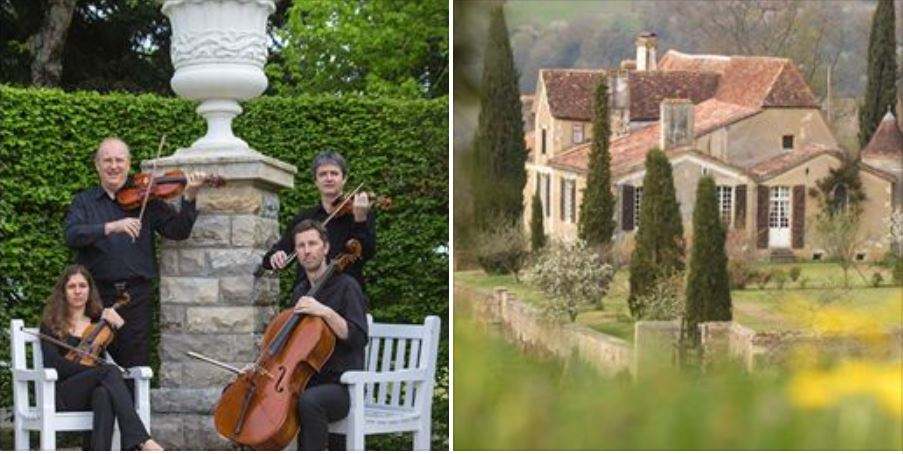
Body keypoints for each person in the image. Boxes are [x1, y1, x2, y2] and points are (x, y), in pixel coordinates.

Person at [64, 137, 204, 370]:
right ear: (97, 165)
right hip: (96, 296)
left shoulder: (146, 199)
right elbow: (72, 235)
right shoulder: (84, 202)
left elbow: (178, 231)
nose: (114, 166)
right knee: (91, 361)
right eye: (107, 160)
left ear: (128, 165)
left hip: (136, 297)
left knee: (134, 363)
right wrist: (111, 226)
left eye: (119, 160)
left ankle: (132, 408)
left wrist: (190, 198)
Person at [245, 220, 369, 450]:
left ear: (326, 248)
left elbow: (358, 337)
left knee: (309, 402)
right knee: (252, 397)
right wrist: (260, 368)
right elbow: (290, 347)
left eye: (312, 243)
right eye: (301, 246)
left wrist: (324, 311)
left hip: (343, 387)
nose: (307, 250)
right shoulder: (301, 291)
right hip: (305, 382)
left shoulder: (347, 286)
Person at [39, 265, 164, 451]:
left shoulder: (100, 325)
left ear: (89, 290)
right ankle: (141, 439)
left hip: (91, 392)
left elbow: (125, 356)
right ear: (63, 292)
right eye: (71, 286)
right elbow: (54, 364)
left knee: (104, 394)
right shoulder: (51, 324)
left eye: (82, 286)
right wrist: (96, 372)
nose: (78, 291)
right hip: (61, 394)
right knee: (108, 372)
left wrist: (120, 326)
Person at [261, 151, 376, 293]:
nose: (329, 178)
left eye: (334, 173)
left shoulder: (360, 213)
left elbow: (368, 253)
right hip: (308, 292)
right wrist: (276, 255)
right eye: (323, 174)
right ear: (315, 180)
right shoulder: (304, 218)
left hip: (346, 294)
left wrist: (360, 221)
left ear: (344, 179)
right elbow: (269, 260)